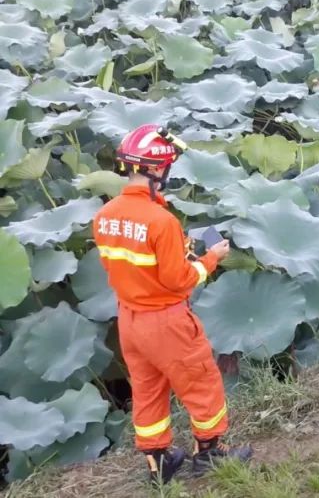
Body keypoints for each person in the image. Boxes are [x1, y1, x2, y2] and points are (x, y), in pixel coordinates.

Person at [91, 124, 252, 485]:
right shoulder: (160, 220)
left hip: (130, 320)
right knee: (202, 382)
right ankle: (208, 455)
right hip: (166, 320)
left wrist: (179, 252)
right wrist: (209, 259)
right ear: (155, 169)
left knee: (147, 390)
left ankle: (158, 464)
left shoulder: (105, 216)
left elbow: (124, 264)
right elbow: (178, 280)